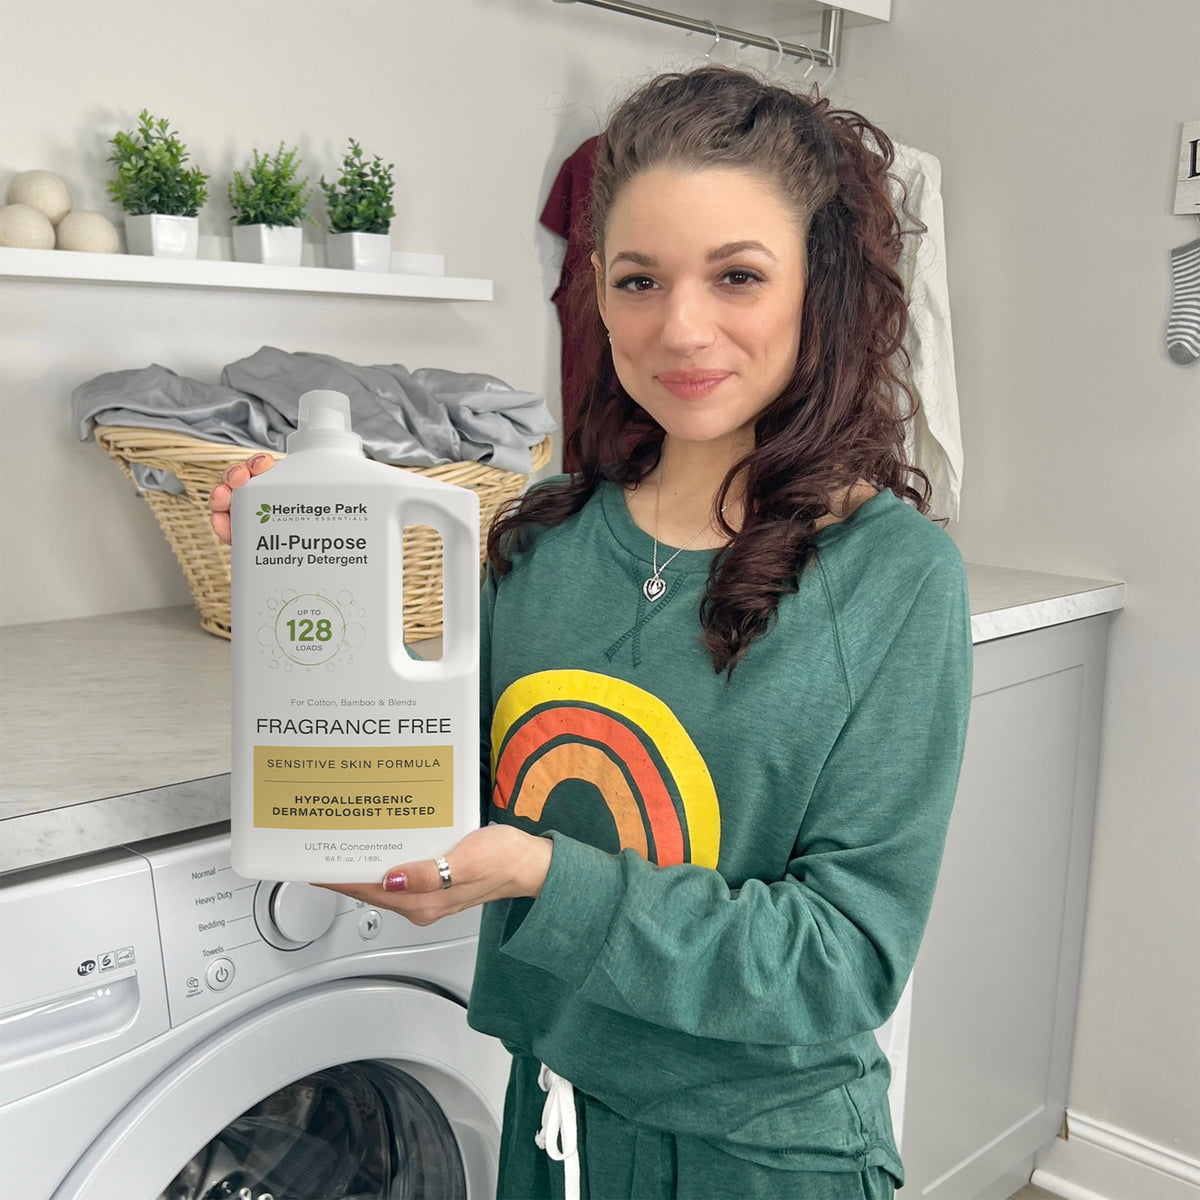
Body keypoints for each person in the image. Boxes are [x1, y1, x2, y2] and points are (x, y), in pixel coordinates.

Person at [211, 66, 973, 1200]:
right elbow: (444, 789)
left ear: (819, 289)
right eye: (639, 279)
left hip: (764, 1159)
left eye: (737, 276)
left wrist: (537, 873)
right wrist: (309, 563)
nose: (682, 326)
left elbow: (844, 962)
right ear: (599, 300)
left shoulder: (895, 577)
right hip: (550, 1127)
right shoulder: (546, 543)